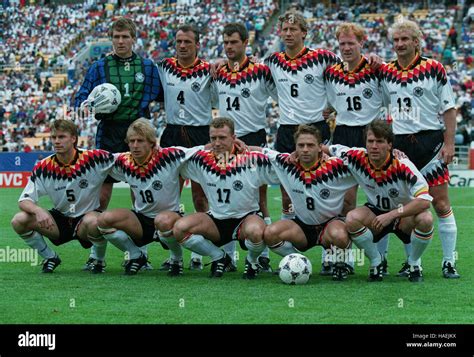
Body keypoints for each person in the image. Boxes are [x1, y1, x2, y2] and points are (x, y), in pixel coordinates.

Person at [74, 17, 162, 268]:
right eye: (116, 37)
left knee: (140, 193)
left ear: (134, 38)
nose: (120, 41)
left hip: (138, 132)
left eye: (125, 36)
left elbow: (165, 96)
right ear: (111, 39)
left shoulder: (147, 67)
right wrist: (88, 104)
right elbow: (81, 98)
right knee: (100, 194)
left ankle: (141, 253)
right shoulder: (99, 67)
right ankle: (97, 256)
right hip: (108, 132)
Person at [379, 20, 460, 278]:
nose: (400, 44)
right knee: (406, 206)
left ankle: (449, 262)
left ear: (417, 41)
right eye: (396, 40)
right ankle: (412, 263)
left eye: (405, 39)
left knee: (440, 202)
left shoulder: (434, 68)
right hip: (400, 145)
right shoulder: (385, 71)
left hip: (430, 143)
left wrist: (449, 144)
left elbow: (449, 108)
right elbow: (378, 103)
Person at [328, 119, 434, 282]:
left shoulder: (403, 164)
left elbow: (425, 201)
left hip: (403, 215)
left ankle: (413, 263)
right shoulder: (355, 157)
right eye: (370, 141)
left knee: (426, 219)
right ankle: (376, 262)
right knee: (351, 218)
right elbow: (329, 149)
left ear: (390, 145)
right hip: (375, 214)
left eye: (380, 141)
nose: (374, 146)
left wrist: (392, 215)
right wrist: (317, 151)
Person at [172, 117, 276, 279]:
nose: (217, 143)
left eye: (222, 138)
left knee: (256, 233)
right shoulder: (201, 160)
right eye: (213, 138)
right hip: (216, 220)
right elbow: (175, 156)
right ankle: (218, 257)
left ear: (234, 138)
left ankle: (252, 260)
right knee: (180, 229)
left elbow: (280, 159)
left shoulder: (250, 159)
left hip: (246, 219)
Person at [10, 119, 115, 273]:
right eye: (54, 137)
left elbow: (124, 158)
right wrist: (38, 211)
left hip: (86, 220)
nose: (57, 141)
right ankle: (50, 257)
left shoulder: (94, 158)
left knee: (95, 222)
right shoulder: (43, 166)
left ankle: (98, 261)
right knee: (19, 220)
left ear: (73, 138)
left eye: (61, 137)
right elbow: (24, 200)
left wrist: (154, 150)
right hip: (60, 220)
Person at [213, 22, 278, 271]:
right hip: (226, 142)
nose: (229, 47)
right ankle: (228, 255)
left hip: (253, 139)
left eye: (234, 42)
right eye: (226, 42)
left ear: (245, 43)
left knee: (260, 199)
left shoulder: (261, 71)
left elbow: (283, 96)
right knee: (223, 197)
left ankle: (264, 253)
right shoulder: (218, 72)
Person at [97, 119, 199, 275]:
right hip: (141, 220)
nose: (135, 145)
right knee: (104, 220)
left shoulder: (169, 156)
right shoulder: (123, 160)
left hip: (169, 220)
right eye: (132, 141)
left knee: (163, 220)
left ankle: (176, 259)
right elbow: (95, 158)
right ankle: (136, 255)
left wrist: (233, 145)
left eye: (140, 141)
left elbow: (200, 150)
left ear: (152, 142)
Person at [324, 22, 387, 273]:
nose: (347, 48)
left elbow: (390, 97)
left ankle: (381, 259)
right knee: (343, 199)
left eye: (351, 43)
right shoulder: (331, 72)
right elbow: (328, 103)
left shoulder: (376, 69)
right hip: (342, 134)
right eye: (342, 44)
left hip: (371, 134)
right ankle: (342, 257)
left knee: (381, 198)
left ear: (362, 43)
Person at [261, 125, 358, 281]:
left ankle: (340, 263)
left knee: (340, 235)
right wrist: (239, 144)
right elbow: (261, 152)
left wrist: (396, 154)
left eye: (310, 145)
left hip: (330, 226)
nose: (305, 149)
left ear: (320, 147)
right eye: (301, 145)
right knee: (270, 234)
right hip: (302, 227)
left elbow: (363, 160)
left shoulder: (336, 166)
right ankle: (298, 262)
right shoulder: (287, 163)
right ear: (295, 148)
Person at [156, 24, 213, 271]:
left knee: (200, 197)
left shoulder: (209, 71)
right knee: (168, 198)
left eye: (187, 42)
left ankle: (200, 249)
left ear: (197, 45)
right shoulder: (164, 66)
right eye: (179, 41)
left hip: (199, 133)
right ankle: (175, 255)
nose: (182, 46)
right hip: (172, 132)